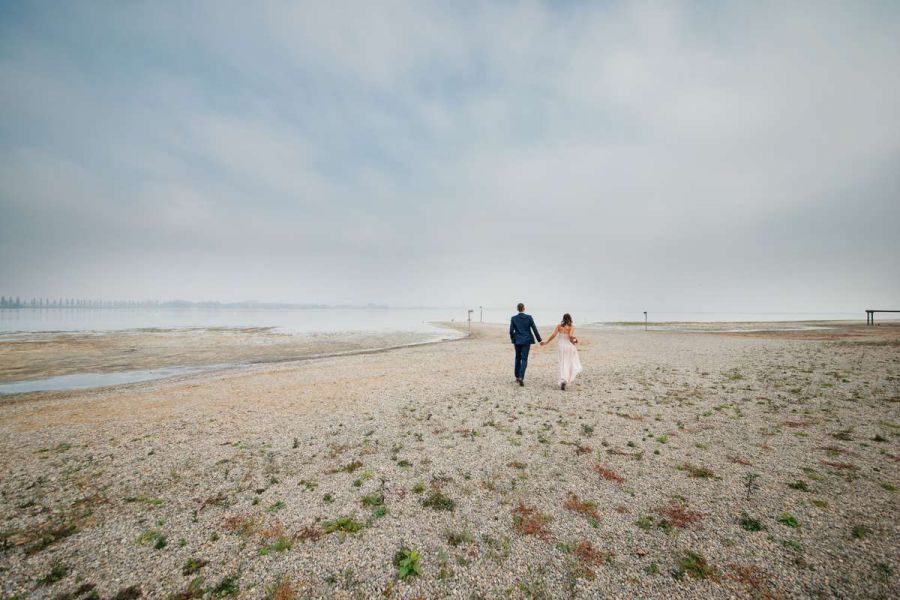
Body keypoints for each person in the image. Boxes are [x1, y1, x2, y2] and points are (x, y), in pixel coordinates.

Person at [540, 313, 582, 390]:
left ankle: (563, 380)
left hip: (561, 346)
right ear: (570, 319)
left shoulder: (559, 326)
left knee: (562, 362)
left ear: (563, 319)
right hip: (568, 346)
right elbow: (570, 337)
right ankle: (565, 380)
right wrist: (575, 340)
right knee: (569, 362)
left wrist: (546, 342)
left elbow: (553, 335)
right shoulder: (571, 327)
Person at [509, 303, 542, 386]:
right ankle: (521, 376)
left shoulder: (514, 318)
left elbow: (511, 331)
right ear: (524, 308)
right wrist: (539, 340)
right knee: (524, 359)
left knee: (517, 357)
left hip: (517, 341)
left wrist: (513, 339)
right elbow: (534, 329)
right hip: (526, 340)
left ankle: (517, 376)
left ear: (517, 309)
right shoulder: (529, 317)